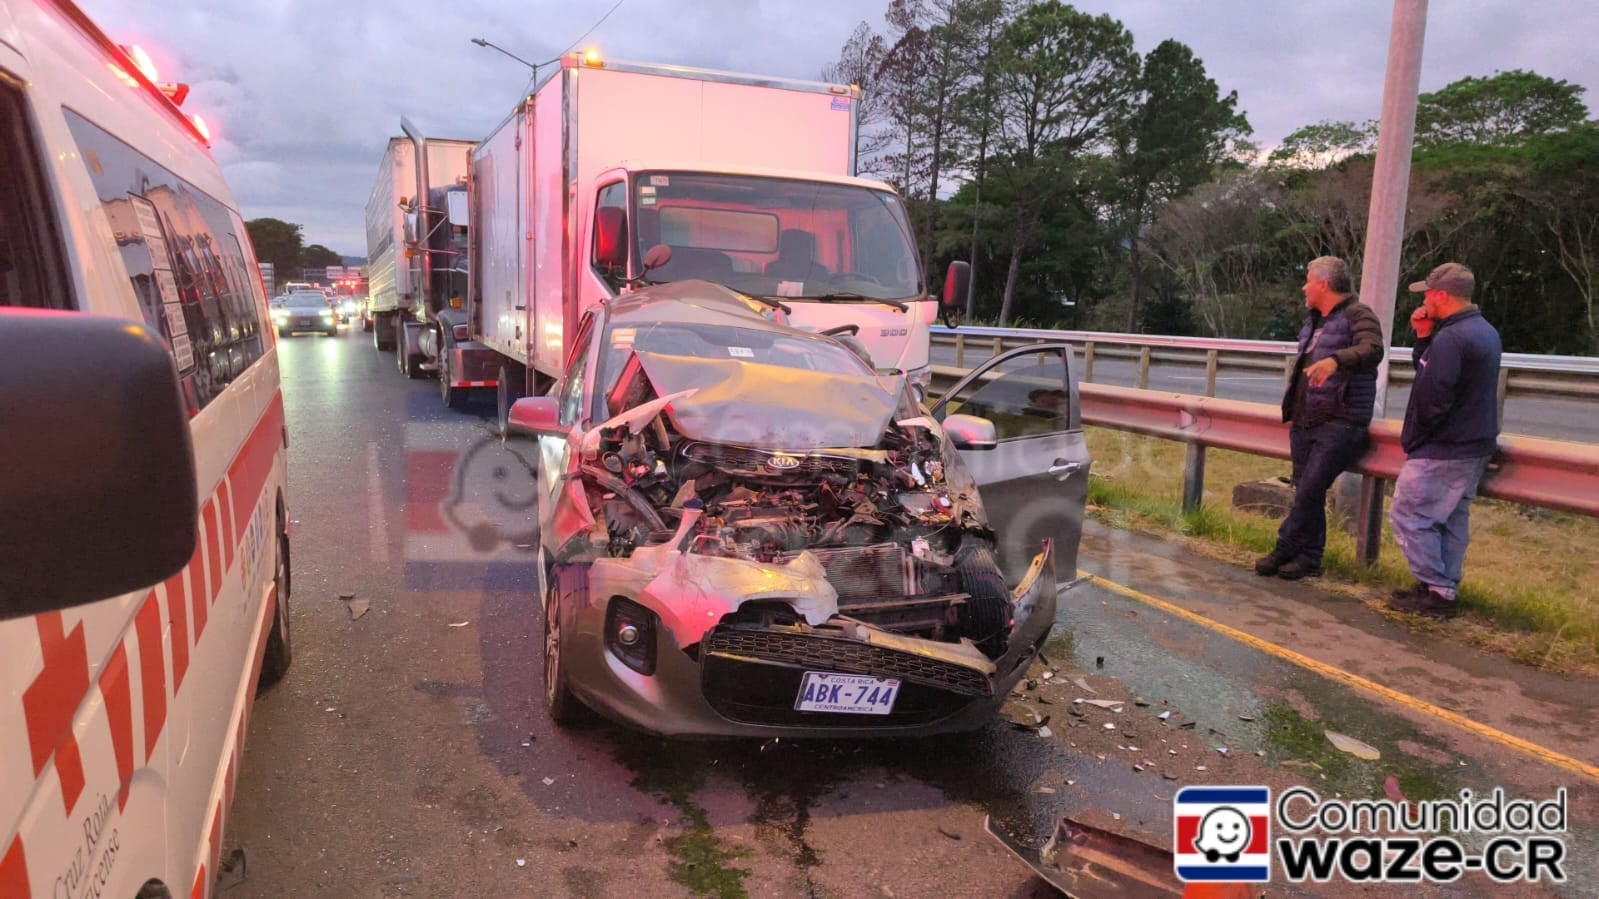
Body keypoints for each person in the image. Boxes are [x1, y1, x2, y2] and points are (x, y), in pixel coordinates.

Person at [1255, 256, 1384, 580]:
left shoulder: (1358, 314)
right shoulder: (1314, 320)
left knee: (1311, 488)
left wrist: (1336, 361)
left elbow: (1373, 349)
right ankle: (1309, 557)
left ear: (1324, 284)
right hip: (1306, 419)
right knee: (1305, 488)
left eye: (1308, 280)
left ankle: (1285, 546)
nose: (1304, 287)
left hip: (1340, 420)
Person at [1387, 262, 1502, 618]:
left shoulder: (1453, 337)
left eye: (1427, 295)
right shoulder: (1482, 331)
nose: (1424, 302)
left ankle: (1435, 587)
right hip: (1473, 443)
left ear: (1439, 295)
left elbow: (1433, 396)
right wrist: (1423, 337)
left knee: (1410, 514)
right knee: (1450, 518)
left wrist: (1416, 439)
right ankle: (1442, 588)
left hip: (1444, 445)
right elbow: (1431, 370)